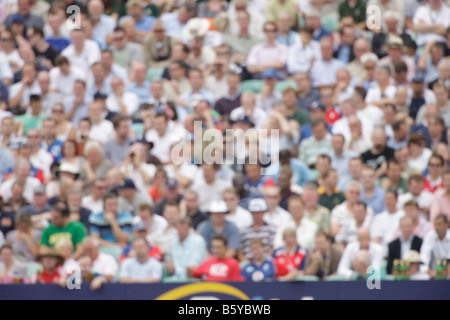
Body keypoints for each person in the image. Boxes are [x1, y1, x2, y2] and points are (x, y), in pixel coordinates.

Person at [371, 189, 405, 257]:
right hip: (383, 254)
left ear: (396, 200)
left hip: (400, 251)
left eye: (390, 199)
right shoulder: (378, 218)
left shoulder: (403, 216)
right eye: (386, 199)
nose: (388, 202)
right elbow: (376, 238)